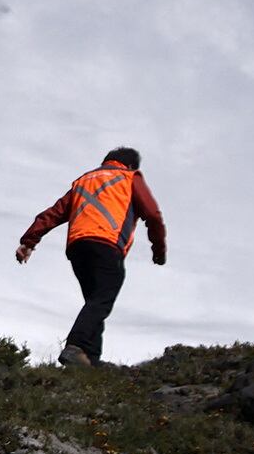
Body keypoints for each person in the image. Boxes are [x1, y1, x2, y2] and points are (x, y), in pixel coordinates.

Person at [16, 146, 167, 366]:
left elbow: (53, 213)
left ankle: (90, 360)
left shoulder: (83, 181)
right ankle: (76, 346)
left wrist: (29, 241)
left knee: (94, 301)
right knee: (102, 299)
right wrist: (159, 251)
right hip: (106, 244)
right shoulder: (130, 177)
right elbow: (152, 214)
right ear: (131, 165)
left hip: (78, 247)